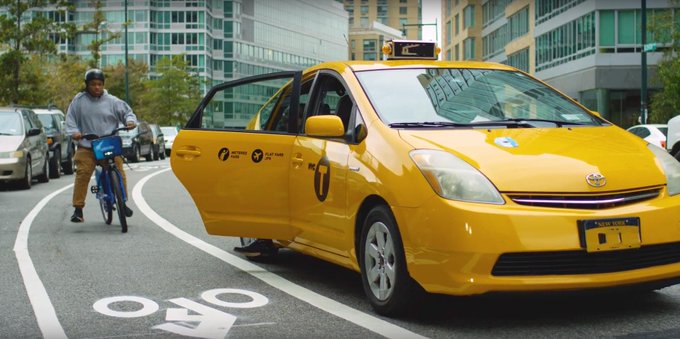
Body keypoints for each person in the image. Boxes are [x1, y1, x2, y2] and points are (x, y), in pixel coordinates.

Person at [65, 68, 137, 223]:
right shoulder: (78, 101)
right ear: (87, 85)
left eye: (99, 84)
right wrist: (75, 132)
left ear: (103, 85)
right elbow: (70, 120)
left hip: (108, 144)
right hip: (87, 147)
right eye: (93, 84)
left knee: (118, 170)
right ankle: (78, 209)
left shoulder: (113, 101)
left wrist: (130, 122)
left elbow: (128, 113)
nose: (96, 87)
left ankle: (122, 203)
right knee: (83, 173)